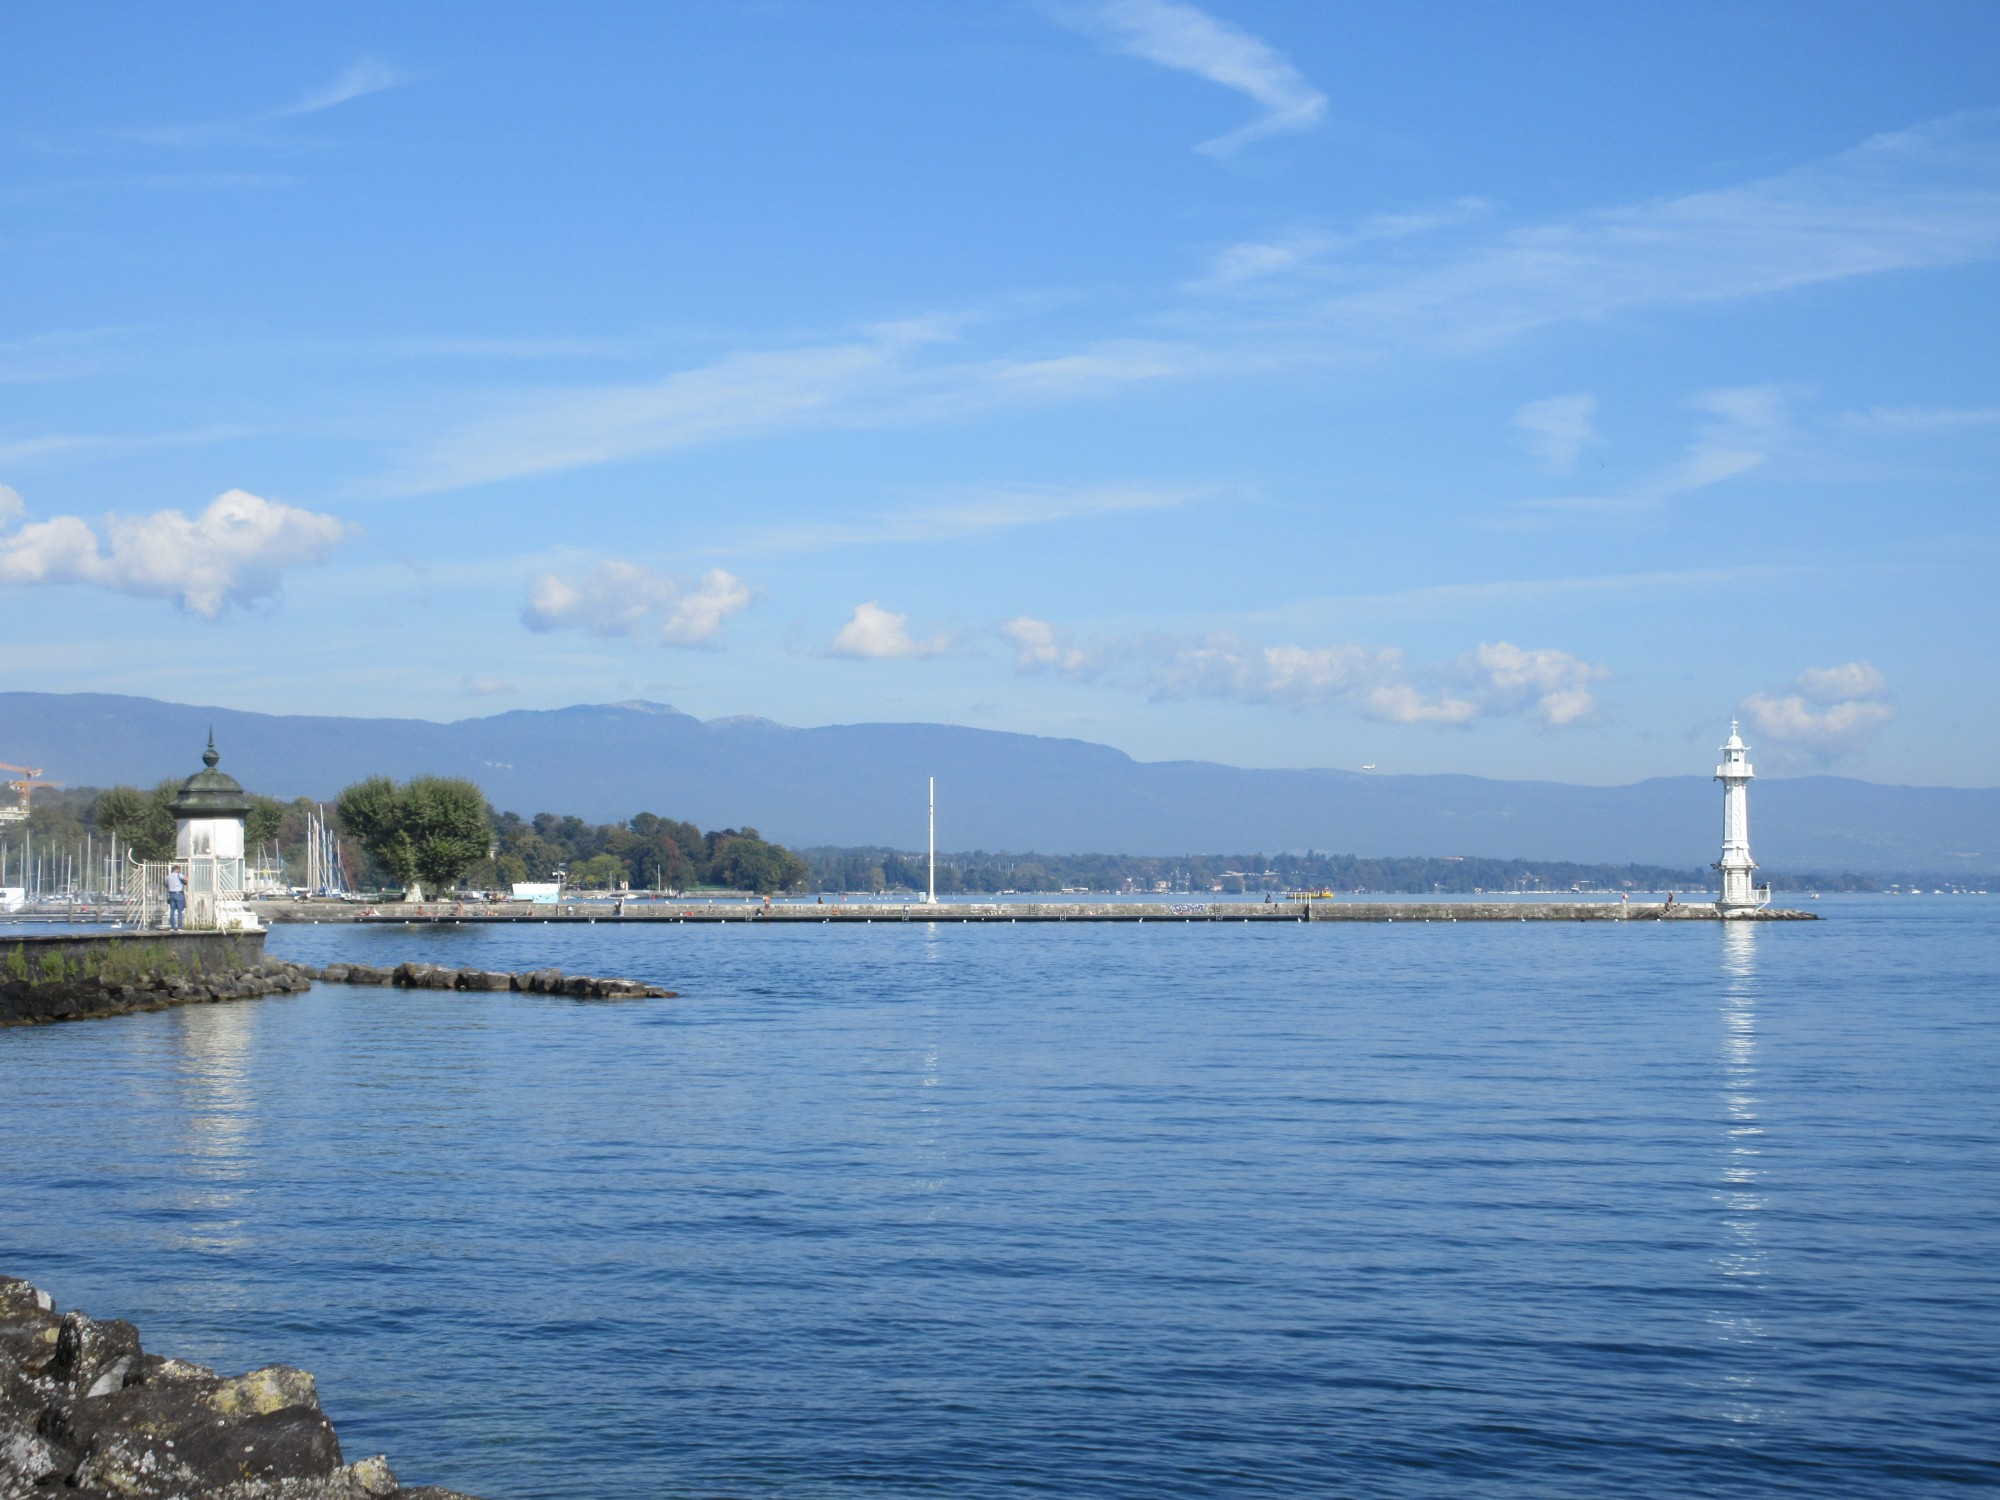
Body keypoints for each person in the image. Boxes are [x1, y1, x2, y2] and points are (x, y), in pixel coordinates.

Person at [164, 864, 186, 930]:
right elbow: (186, 879)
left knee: (172, 911)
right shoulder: (179, 875)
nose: (179, 871)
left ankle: (172, 927)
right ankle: (179, 927)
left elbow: (165, 884)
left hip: (171, 894)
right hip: (178, 893)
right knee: (180, 911)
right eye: (179, 869)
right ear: (177, 869)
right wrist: (185, 882)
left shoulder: (168, 876)